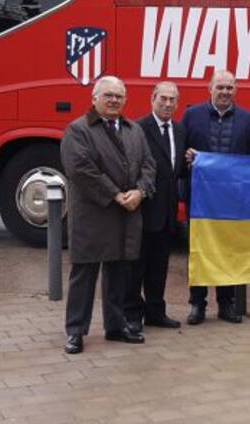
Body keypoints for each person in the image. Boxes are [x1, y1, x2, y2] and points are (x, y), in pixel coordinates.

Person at [60, 76, 156, 354]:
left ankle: (116, 327)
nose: (114, 100)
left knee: (118, 273)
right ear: (94, 98)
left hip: (127, 212)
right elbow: (80, 169)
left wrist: (140, 191)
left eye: (119, 96)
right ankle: (75, 331)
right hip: (94, 213)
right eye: (108, 95)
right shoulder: (78, 130)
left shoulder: (134, 129)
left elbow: (148, 165)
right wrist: (115, 194)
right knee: (84, 274)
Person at [181, 69, 250, 325]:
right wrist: (188, 157)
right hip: (201, 200)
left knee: (229, 252)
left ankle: (226, 305)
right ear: (210, 88)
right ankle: (197, 304)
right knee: (200, 251)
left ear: (235, 90)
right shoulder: (192, 116)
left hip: (232, 200)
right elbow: (181, 154)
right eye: (220, 87)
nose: (225, 92)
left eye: (229, 87)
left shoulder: (248, 120)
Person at [127, 81, 185, 332]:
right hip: (144, 210)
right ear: (152, 99)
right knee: (136, 267)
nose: (168, 104)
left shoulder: (180, 130)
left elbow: (176, 169)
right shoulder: (138, 128)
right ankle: (132, 315)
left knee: (159, 267)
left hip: (168, 212)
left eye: (172, 99)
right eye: (163, 98)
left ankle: (155, 312)